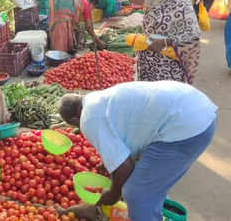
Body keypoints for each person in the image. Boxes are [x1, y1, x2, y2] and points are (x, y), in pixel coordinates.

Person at [58, 81, 217, 221]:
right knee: (150, 183)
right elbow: (130, 134)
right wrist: (112, 161)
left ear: (73, 120)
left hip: (185, 128)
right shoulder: (96, 99)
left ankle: (147, 212)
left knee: (136, 194)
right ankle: (152, 212)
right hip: (195, 108)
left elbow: (124, 167)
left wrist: (113, 193)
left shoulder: (88, 119)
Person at [127, 0, 201, 84]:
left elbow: (193, 36)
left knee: (164, 99)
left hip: (167, 68)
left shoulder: (183, 5)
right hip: (147, 65)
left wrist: (166, 41)